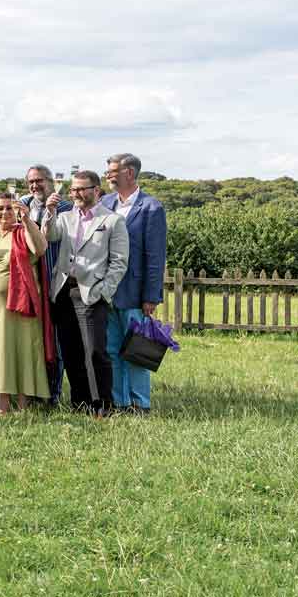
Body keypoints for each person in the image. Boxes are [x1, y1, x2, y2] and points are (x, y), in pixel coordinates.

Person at [44, 170, 129, 414]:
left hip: (92, 294)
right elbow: (49, 236)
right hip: (63, 293)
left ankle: (102, 405)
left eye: (82, 189)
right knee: (71, 352)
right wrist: (49, 213)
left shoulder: (112, 221)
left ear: (97, 190)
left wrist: (104, 291)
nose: (77, 194)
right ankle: (79, 403)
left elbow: (119, 262)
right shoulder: (65, 217)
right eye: (73, 190)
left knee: (95, 353)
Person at [0, 193, 51, 414]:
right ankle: (2, 406)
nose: (5, 213)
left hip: (19, 305)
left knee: (21, 349)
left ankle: (22, 405)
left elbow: (40, 249)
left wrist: (27, 220)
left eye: (9, 209)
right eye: (0, 209)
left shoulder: (25, 232)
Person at [102, 153, 167, 414]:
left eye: (112, 171)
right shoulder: (105, 203)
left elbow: (155, 256)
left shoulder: (152, 208)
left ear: (129, 173)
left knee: (137, 351)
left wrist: (151, 296)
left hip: (135, 293)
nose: (108, 175)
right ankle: (119, 403)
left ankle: (140, 404)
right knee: (111, 350)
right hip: (107, 291)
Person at [23, 164, 72, 407]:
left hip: (54, 282)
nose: (35, 186)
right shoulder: (24, 205)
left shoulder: (65, 207)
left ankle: (52, 394)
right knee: (33, 340)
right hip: (29, 284)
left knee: (54, 342)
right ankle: (32, 391)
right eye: (31, 182)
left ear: (51, 181)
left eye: (39, 181)